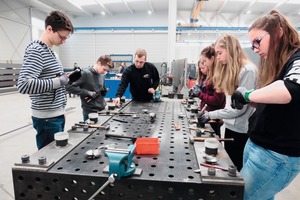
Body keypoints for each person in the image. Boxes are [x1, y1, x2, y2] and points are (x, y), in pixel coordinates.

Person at [231, 10, 300, 200]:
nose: (254, 49)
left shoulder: (298, 59)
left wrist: (247, 94)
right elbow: (277, 105)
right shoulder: (279, 64)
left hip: (276, 156)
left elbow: (291, 90)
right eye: (251, 44)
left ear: (278, 33)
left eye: (257, 41)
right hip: (257, 145)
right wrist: (252, 101)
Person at [197, 34, 257, 171]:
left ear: (230, 49)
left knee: (236, 169)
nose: (217, 57)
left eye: (219, 53)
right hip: (231, 126)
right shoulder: (234, 70)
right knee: (229, 165)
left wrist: (209, 115)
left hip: (241, 131)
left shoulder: (248, 71)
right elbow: (230, 105)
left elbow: (237, 109)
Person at [17, 10, 74, 150]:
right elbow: (24, 84)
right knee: (50, 161)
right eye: (62, 37)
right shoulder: (37, 50)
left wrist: (61, 110)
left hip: (55, 115)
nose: (64, 41)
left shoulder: (51, 52)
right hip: (47, 118)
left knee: (57, 157)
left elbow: (53, 78)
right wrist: (58, 81)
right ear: (49, 29)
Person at [66, 55, 114, 121]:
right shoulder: (85, 73)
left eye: (107, 71)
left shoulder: (102, 75)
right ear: (99, 63)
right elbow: (68, 87)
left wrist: (103, 91)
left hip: (102, 110)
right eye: (104, 69)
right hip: (90, 113)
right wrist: (87, 92)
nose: (105, 72)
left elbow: (102, 89)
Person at [197, 45, 226, 137]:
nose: (204, 65)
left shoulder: (217, 76)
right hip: (209, 114)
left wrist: (200, 94)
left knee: (214, 139)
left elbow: (217, 100)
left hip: (214, 116)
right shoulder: (211, 75)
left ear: (212, 59)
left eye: (205, 61)